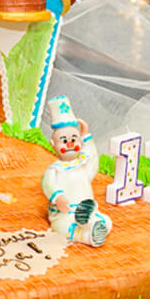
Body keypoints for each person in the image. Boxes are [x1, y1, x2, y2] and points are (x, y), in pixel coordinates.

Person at [41, 96, 112, 247]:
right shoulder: (55, 170)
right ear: (53, 144)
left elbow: (92, 158)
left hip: (87, 209)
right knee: (61, 227)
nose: (70, 144)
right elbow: (48, 184)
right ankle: (86, 235)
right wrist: (58, 198)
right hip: (64, 213)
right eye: (64, 141)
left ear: (79, 141)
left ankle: (89, 223)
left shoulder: (82, 165)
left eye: (74, 139)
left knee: (107, 221)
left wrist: (86, 135)